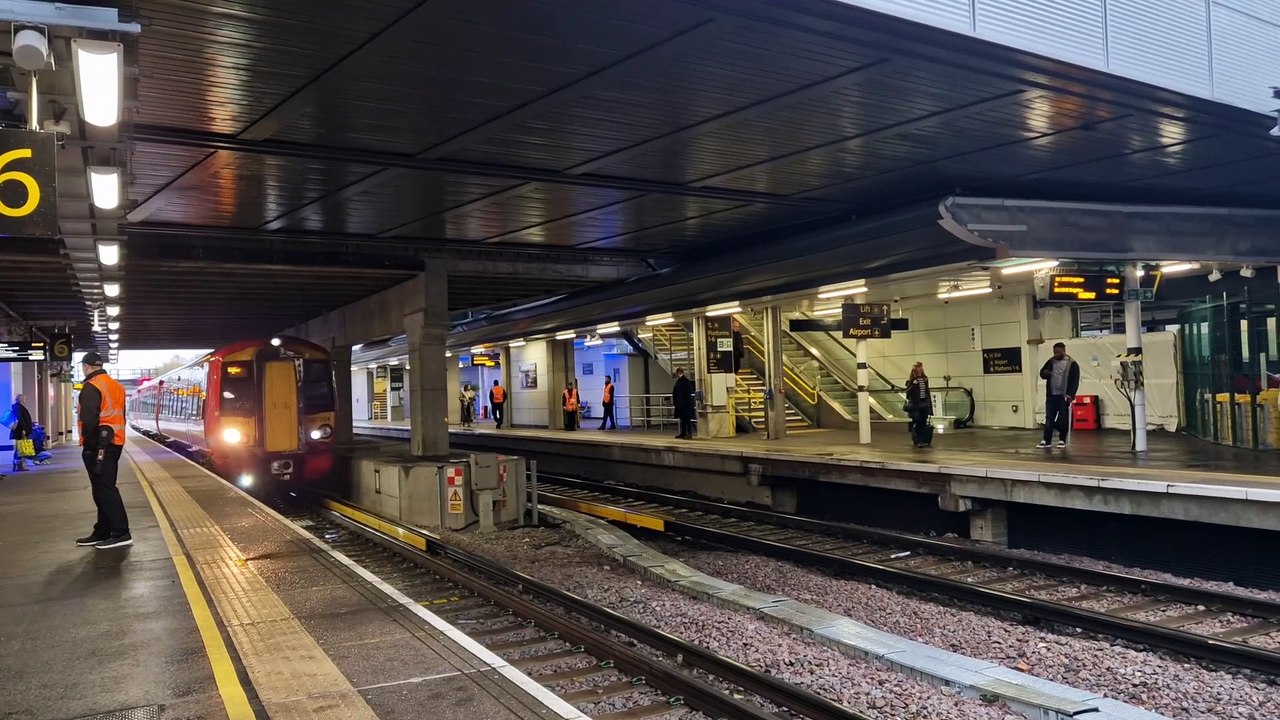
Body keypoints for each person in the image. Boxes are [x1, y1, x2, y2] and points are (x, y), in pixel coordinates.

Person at [76, 352, 131, 549]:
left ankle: (121, 532)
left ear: (86, 366)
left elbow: (89, 419)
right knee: (102, 488)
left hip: (99, 446)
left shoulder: (92, 386)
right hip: (114, 442)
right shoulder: (116, 386)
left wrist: (90, 445)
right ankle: (103, 531)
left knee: (105, 489)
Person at [1039, 342, 1081, 449]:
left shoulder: (1072, 364)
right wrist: (1045, 373)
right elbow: (1042, 373)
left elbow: (1074, 381)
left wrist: (1071, 394)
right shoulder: (1051, 361)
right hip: (1052, 395)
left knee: (1064, 418)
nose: (1056, 354)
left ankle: (1062, 439)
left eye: (1058, 352)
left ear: (1063, 351)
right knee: (1049, 418)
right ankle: (1046, 440)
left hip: (1064, 396)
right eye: (1054, 352)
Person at [904, 362, 933, 448]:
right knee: (918, 421)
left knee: (923, 422)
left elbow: (927, 392)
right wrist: (913, 385)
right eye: (919, 368)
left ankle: (922, 439)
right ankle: (917, 439)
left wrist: (929, 405)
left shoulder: (925, 379)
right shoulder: (912, 381)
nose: (920, 369)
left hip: (924, 404)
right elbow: (907, 393)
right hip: (915, 405)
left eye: (921, 368)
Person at [9, 393, 33, 472]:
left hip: (20, 430)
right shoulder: (19, 408)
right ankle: (18, 465)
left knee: (19, 448)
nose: (25, 400)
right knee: (20, 448)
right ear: (21, 399)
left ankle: (17, 465)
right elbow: (20, 419)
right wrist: (23, 429)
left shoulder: (17, 407)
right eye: (24, 398)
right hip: (20, 431)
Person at [672, 368, 695, 439]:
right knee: (683, 419)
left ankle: (688, 433)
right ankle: (684, 433)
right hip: (682, 404)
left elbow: (684, 393)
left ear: (678, 373)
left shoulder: (683, 382)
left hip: (684, 404)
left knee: (686, 419)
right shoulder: (683, 381)